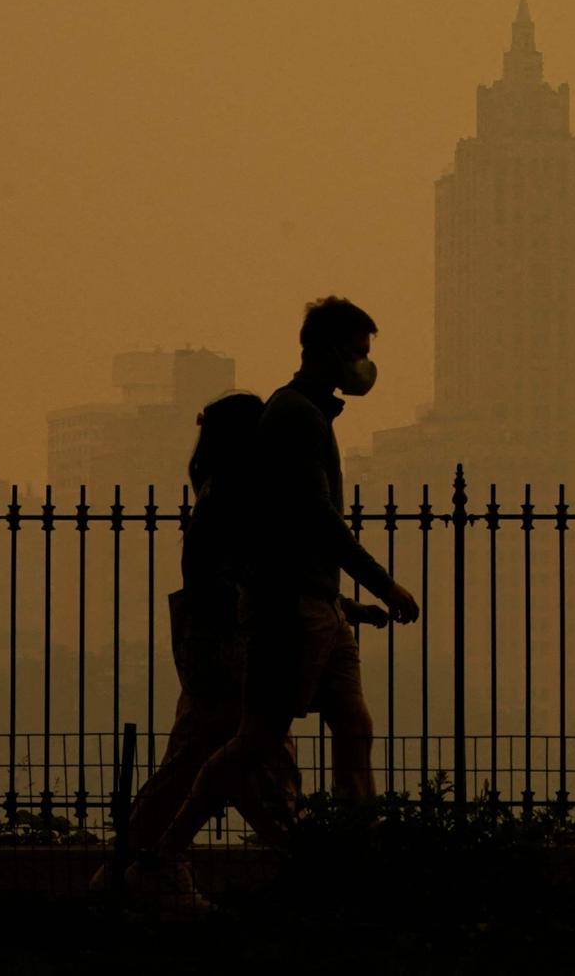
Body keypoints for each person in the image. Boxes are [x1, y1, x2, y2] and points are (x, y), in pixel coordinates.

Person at [153, 296, 417, 863]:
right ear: (326, 350)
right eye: (357, 353)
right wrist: (381, 584)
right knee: (257, 740)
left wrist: (345, 604)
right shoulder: (295, 415)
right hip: (289, 610)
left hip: (318, 605)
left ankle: (358, 853)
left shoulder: (309, 414)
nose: (364, 365)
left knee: (354, 724)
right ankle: (166, 851)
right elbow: (314, 519)